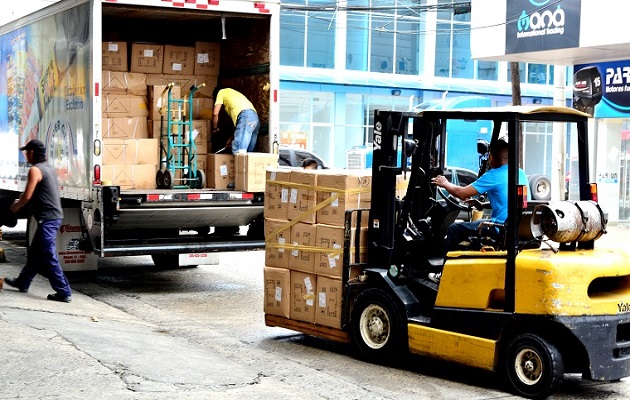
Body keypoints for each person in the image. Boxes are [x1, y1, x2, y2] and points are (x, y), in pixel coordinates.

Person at [428, 139, 527, 282]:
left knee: (454, 230)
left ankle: (444, 276)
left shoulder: (493, 175)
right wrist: (483, 205)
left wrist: (445, 183)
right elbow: (513, 203)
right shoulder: (519, 173)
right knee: (469, 226)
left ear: (492, 157)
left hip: (499, 229)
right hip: (511, 227)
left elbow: (462, 193)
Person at [4, 139, 72, 303]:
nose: (26, 155)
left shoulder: (35, 170)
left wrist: (15, 207)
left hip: (48, 219)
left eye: (27, 152)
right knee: (35, 253)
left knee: (47, 254)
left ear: (32, 153)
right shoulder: (47, 167)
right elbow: (33, 193)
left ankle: (64, 292)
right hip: (53, 217)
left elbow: (27, 196)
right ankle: (23, 282)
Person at [211, 87, 259, 154]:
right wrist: (232, 139)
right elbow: (239, 128)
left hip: (246, 117)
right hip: (254, 118)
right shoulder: (234, 95)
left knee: (239, 151)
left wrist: (215, 128)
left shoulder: (221, 92)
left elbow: (215, 113)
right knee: (248, 154)